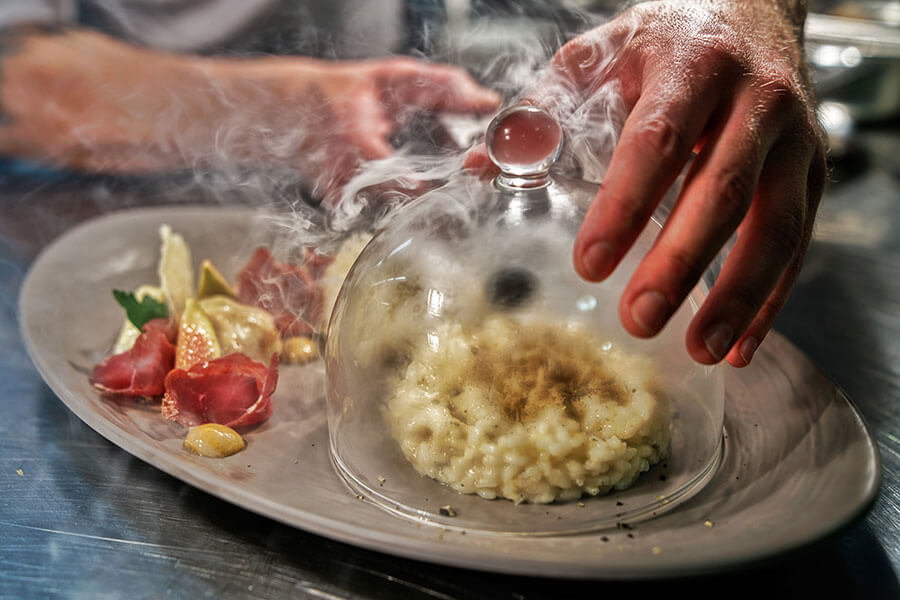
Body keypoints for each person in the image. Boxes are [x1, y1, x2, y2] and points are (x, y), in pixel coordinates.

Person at [0, 0, 825, 368]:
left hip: (384, 210)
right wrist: (294, 109)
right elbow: (16, 77)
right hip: (78, 208)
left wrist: (746, 12)